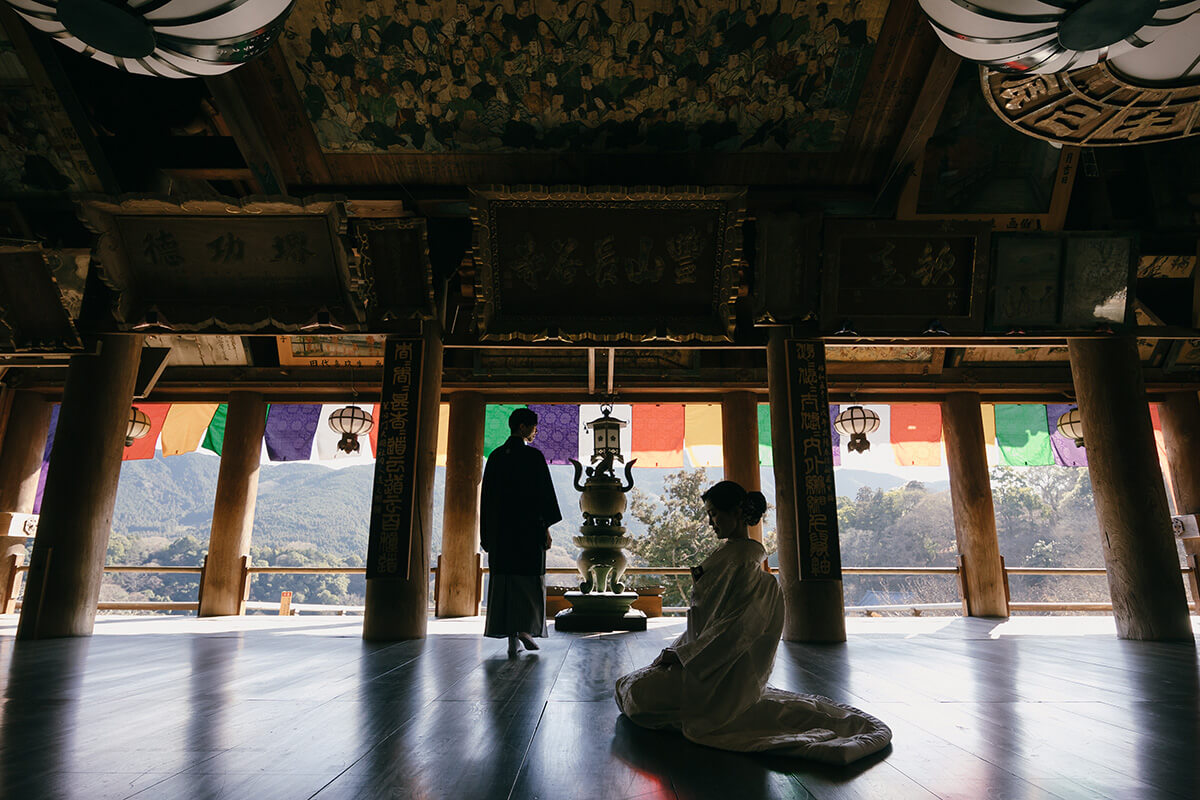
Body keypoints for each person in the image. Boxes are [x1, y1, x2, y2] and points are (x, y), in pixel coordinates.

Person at [614, 480, 893, 765]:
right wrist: (681, 650)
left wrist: (683, 656)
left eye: (715, 514)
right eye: (709, 515)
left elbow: (736, 630)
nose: (711, 522)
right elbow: (707, 622)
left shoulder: (746, 566)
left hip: (719, 673)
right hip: (698, 659)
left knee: (637, 695)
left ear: (737, 512)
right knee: (629, 687)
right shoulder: (732, 556)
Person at [480, 407, 562, 658]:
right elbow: (543, 498)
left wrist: (487, 536)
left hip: (502, 533)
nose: (535, 432)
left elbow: (487, 500)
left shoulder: (495, 457)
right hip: (528, 531)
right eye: (534, 427)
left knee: (505, 581)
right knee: (527, 581)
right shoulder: (533, 458)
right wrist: (545, 528)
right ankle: (525, 630)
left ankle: (509, 635)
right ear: (523, 427)